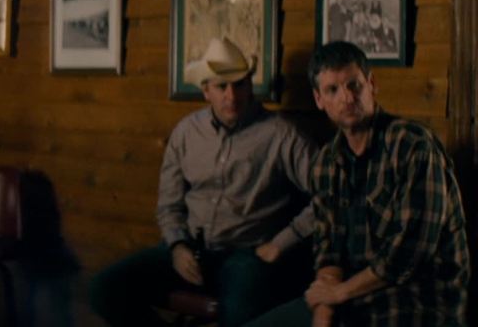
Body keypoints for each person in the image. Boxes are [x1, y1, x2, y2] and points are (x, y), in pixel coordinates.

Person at [90, 37, 318, 327]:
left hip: (247, 256)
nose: (232, 96)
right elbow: (169, 205)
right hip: (191, 250)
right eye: (222, 87)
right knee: (104, 289)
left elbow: (329, 197)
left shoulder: (282, 135)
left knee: (239, 314)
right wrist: (177, 246)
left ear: (250, 85)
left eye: (240, 84)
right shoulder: (186, 133)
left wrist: (280, 243)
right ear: (206, 91)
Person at [245, 41, 470, 327]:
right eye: (333, 90)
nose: (347, 98)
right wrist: (324, 310)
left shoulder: (413, 146)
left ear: (371, 85)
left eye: (354, 85)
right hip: (350, 299)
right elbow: (328, 247)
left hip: (417, 301)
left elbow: (409, 253)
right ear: (319, 99)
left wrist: (339, 293)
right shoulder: (326, 164)